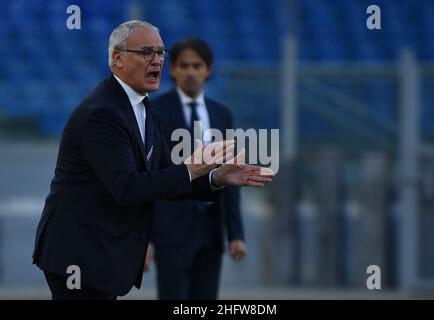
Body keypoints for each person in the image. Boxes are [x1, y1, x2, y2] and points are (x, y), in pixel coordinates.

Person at [32, 20, 273, 300]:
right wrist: (189, 168)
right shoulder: (102, 114)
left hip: (102, 253)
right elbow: (128, 188)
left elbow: (162, 176)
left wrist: (214, 178)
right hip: (80, 254)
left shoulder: (143, 107)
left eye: (161, 53)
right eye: (146, 52)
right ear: (117, 58)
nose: (157, 60)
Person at [143, 38, 246, 300]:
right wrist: (145, 237)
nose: (191, 72)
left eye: (197, 65)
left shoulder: (222, 114)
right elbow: (148, 176)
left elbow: (230, 174)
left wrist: (235, 234)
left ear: (208, 70)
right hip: (170, 229)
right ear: (173, 70)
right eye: (184, 65)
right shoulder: (154, 111)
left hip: (211, 229)